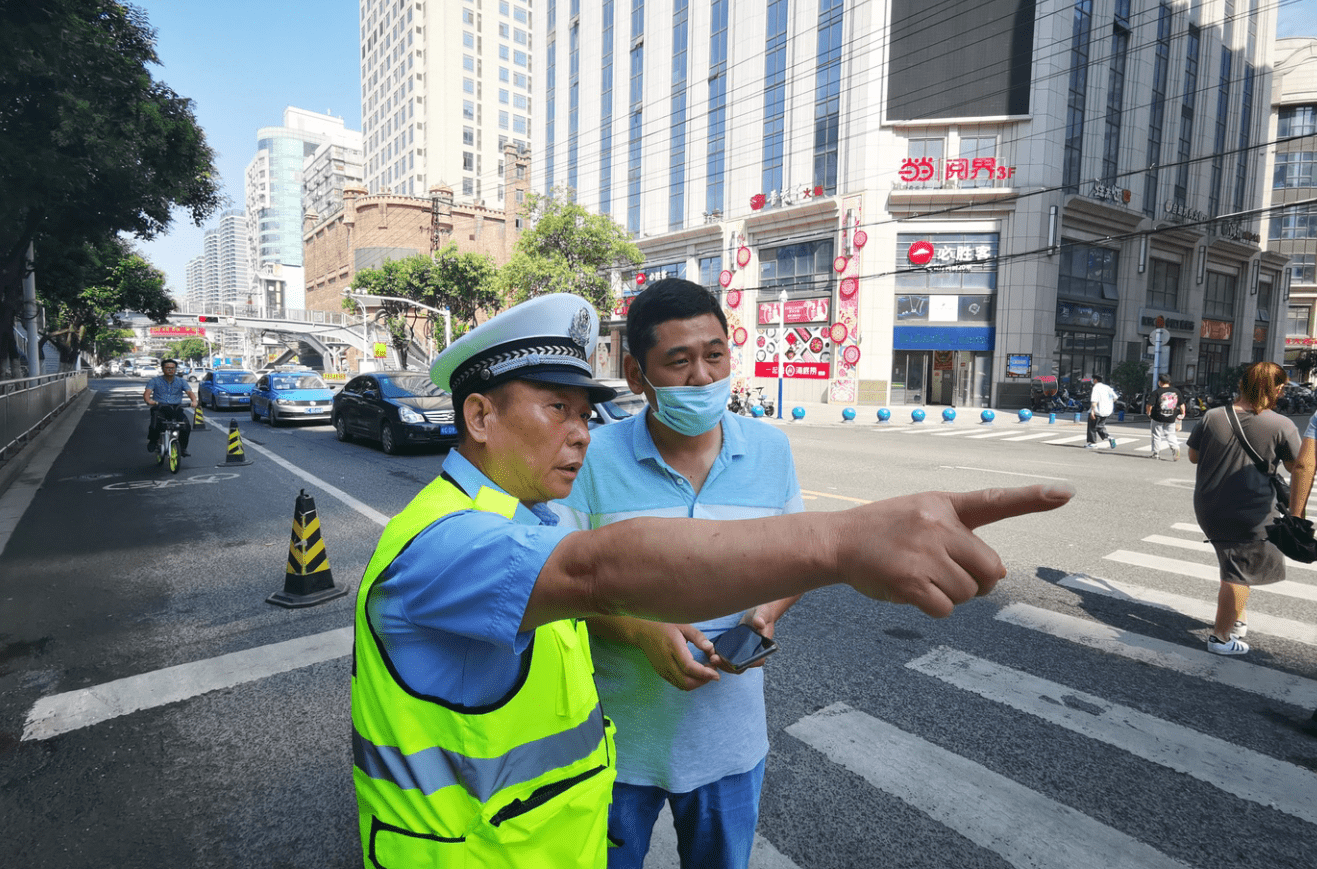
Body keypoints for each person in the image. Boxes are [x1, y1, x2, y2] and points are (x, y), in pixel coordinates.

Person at [349, 292, 1072, 868]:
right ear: (479, 415)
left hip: (553, 832)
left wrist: (765, 608)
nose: (579, 431)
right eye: (555, 409)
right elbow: (599, 570)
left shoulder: (523, 514)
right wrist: (843, 540)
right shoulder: (444, 540)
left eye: (583, 411)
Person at [555, 279, 801, 869]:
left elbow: (795, 558)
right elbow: (558, 588)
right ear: (638, 377)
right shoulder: (591, 458)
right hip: (612, 748)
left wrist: (762, 615)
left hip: (730, 746)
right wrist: (639, 630)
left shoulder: (771, 451)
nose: (703, 377)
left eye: (714, 355)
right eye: (679, 361)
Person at [1186, 361, 1300, 656]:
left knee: (1237, 563)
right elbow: (1296, 465)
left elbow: (1193, 456)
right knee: (1238, 572)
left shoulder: (1213, 416)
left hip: (1209, 505)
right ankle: (1221, 638)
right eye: (1282, 386)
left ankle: (1237, 621)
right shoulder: (1281, 425)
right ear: (1274, 389)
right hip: (1251, 509)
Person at [143, 357, 196, 456]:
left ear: (175, 369)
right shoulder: (155, 381)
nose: (170, 370)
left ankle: (182, 448)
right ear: (163, 369)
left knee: (186, 426)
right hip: (160, 408)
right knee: (155, 425)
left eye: (173, 368)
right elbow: (147, 393)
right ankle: (153, 441)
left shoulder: (181, 381)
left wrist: (194, 401)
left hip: (176, 408)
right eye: (168, 368)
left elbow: (189, 392)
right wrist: (149, 400)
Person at [1147, 373, 1186, 461]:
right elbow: (1181, 404)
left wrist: (1149, 413)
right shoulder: (1176, 392)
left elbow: (1149, 404)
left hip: (1157, 417)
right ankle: (1176, 449)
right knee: (1171, 435)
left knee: (1156, 435)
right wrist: (1183, 413)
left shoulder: (1156, 392)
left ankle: (1156, 454)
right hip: (1171, 417)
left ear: (1160, 382)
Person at [1085, 373, 1117, 450]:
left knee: (1092, 427)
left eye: (1093, 379)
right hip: (1106, 411)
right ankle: (1109, 437)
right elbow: (1115, 397)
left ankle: (1092, 443)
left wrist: (1092, 411)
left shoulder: (1096, 388)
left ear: (1095, 380)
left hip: (1097, 411)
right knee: (1099, 427)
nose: (1092, 380)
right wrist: (1108, 403)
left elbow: (1094, 400)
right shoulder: (1107, 387)